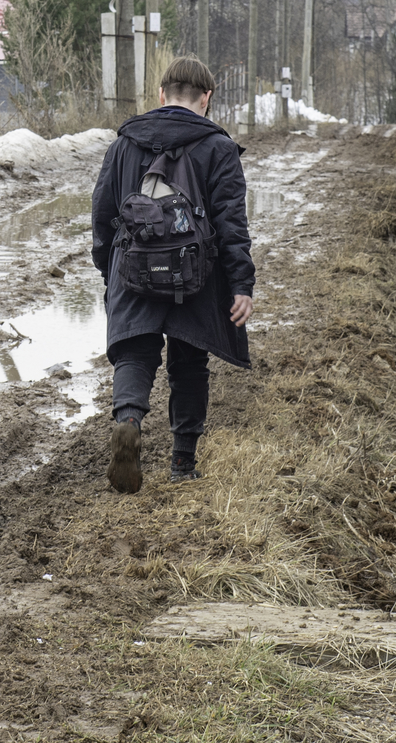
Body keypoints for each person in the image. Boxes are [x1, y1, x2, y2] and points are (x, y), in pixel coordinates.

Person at [90, 56, 254, 493]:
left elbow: (103, 212)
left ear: (161, 95)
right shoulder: (218, 147)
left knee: (134, 354)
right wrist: (240, 285)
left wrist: (109, 271)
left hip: (134, 265)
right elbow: (231, 222)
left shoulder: (124, 143)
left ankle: (128, 420)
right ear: (207, 98)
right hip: (194, 275)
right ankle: (182, 463)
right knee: (189, 362)